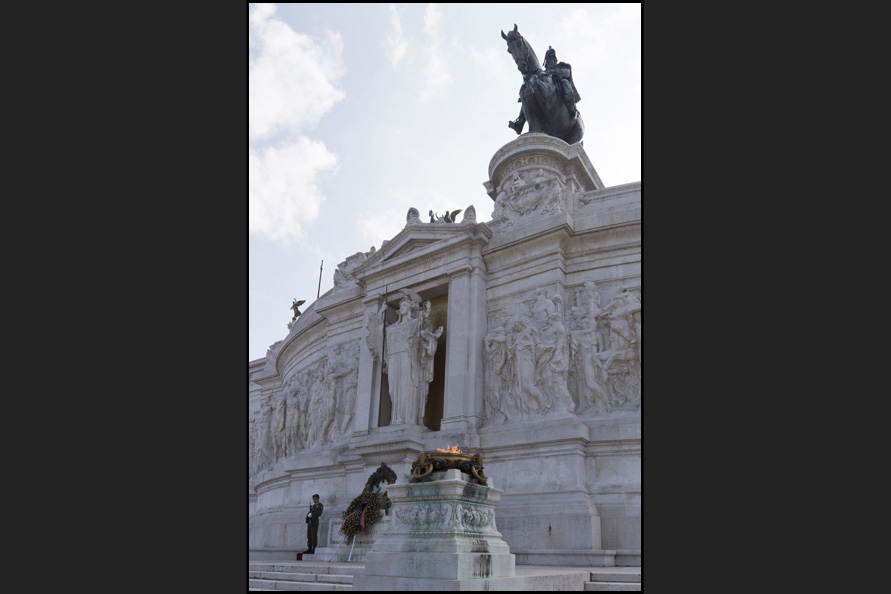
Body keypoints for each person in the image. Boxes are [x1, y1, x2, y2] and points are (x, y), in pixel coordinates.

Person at [543, 46, 580, 117]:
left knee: (565, 82)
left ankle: (571, 107)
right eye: (549, 58)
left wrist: (556, 72)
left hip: (560, 84)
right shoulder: (543, 73)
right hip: (547, 89)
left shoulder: (561, 66)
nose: (551, 60)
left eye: (553, 58)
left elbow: (567, 73)